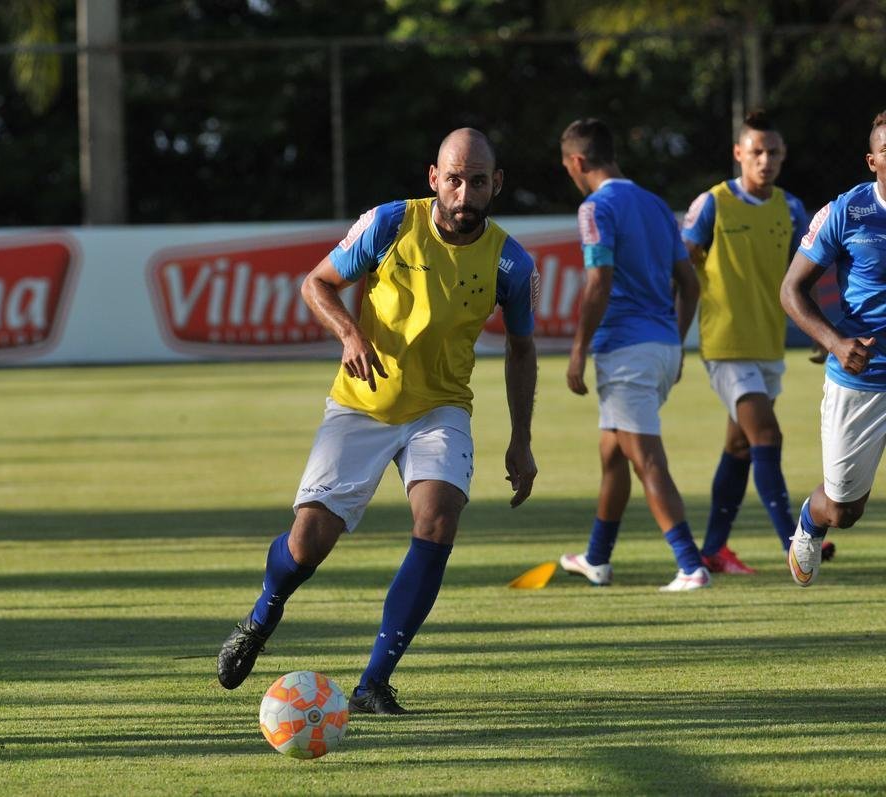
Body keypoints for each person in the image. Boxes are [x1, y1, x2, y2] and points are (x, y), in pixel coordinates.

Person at [216, 128, 539, 714]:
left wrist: (521, 439)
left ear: (498, 184)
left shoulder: (511, 262)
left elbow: (522, 350)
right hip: (362, 402)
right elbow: (316, 283)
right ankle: (264, 614)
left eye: (480, 180)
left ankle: (373, 683)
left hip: (441, 408)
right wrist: (349, 333)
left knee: (439, 520)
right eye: (456, 179)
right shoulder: (390, 224)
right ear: (434, 178)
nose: (466, 192)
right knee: (307, 544)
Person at [555, 118, 708, 591]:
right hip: (661, 347)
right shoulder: (657, 205)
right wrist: (676, 343)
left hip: (625, 350)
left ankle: (690, 565)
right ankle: (597, 559)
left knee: (645, 458)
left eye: (566, 166)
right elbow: (689, 284)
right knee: (613, 455)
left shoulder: (594, 209)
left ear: (577, 162)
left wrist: (578, 350)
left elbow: (598, 283)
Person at [680, 110, 828, 574]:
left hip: (768, 345)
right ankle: (796, 540)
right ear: (738, 154)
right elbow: (683, 268)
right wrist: (673, 330)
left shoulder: (791, 209)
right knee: (767, 434)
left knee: (741, 447)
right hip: (725, 345)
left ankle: (714, 551)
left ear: (783, 157)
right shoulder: (713, 204)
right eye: (757, 151)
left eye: (774, 152)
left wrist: (820, 331)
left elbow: (805, 276)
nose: (765, 160)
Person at [778, 109, 886, 587]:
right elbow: (791, 291)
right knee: (844, 509)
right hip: (863, 377)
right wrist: (836, 343)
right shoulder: (846, 211)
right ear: (872, 160)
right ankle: (810, 521)